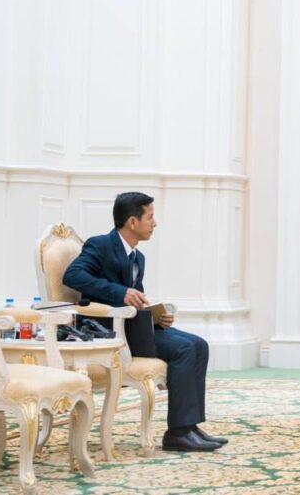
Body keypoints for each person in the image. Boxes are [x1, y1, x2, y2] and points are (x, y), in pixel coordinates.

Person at [64, 192, 227, 451]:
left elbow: (136, 302)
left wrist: (157, 318)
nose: (155, 223)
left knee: (200, 344)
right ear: (132, 222)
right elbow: (73, 276)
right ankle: (177, 434)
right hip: (109, 332)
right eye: (150, 217)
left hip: (134, 327)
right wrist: (120, 292)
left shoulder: (138, 258)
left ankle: (189, 426)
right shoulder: (100, 245)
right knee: (184, 348)